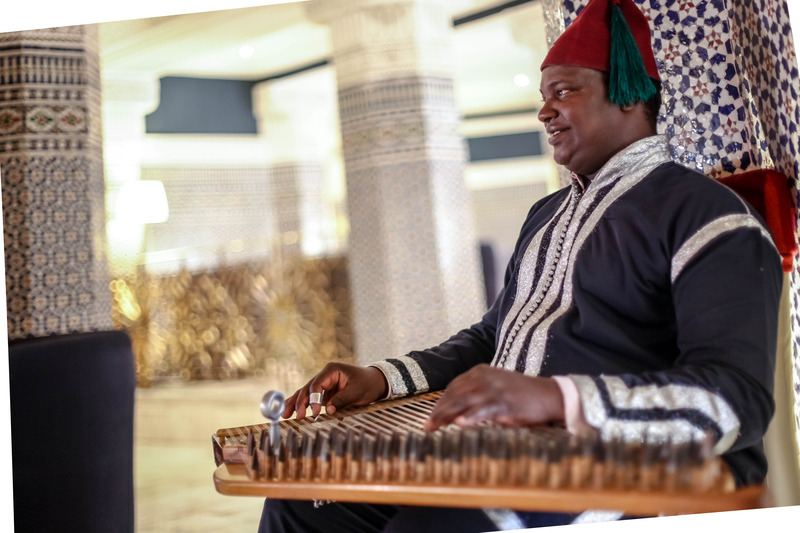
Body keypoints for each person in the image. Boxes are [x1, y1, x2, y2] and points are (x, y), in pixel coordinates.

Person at [258, 0, 782, 530]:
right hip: (504, 453)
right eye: (543, 96)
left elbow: (736, 397)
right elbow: (494, 336)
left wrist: (555, 397)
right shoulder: (547, 215)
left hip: (626, 470)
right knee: (299, 499)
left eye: (564, 92)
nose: (544, 112)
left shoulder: (707, 216)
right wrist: (382, 378)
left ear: (628, 94)